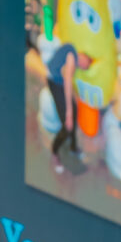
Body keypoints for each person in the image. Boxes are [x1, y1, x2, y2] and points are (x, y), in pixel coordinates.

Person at [45, 43, 92, 173]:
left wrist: (73, 101)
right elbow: (67, 81)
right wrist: (69, 114)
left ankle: (73, 147)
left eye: (84, 68)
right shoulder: (72, 55)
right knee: (67, 124)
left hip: (58, 82)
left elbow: (68, 81)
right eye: (85, 64)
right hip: (55, 83)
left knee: (75, 110)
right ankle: (54, 152)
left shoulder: (71, 53)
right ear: (83, 56)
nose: (82, 66)